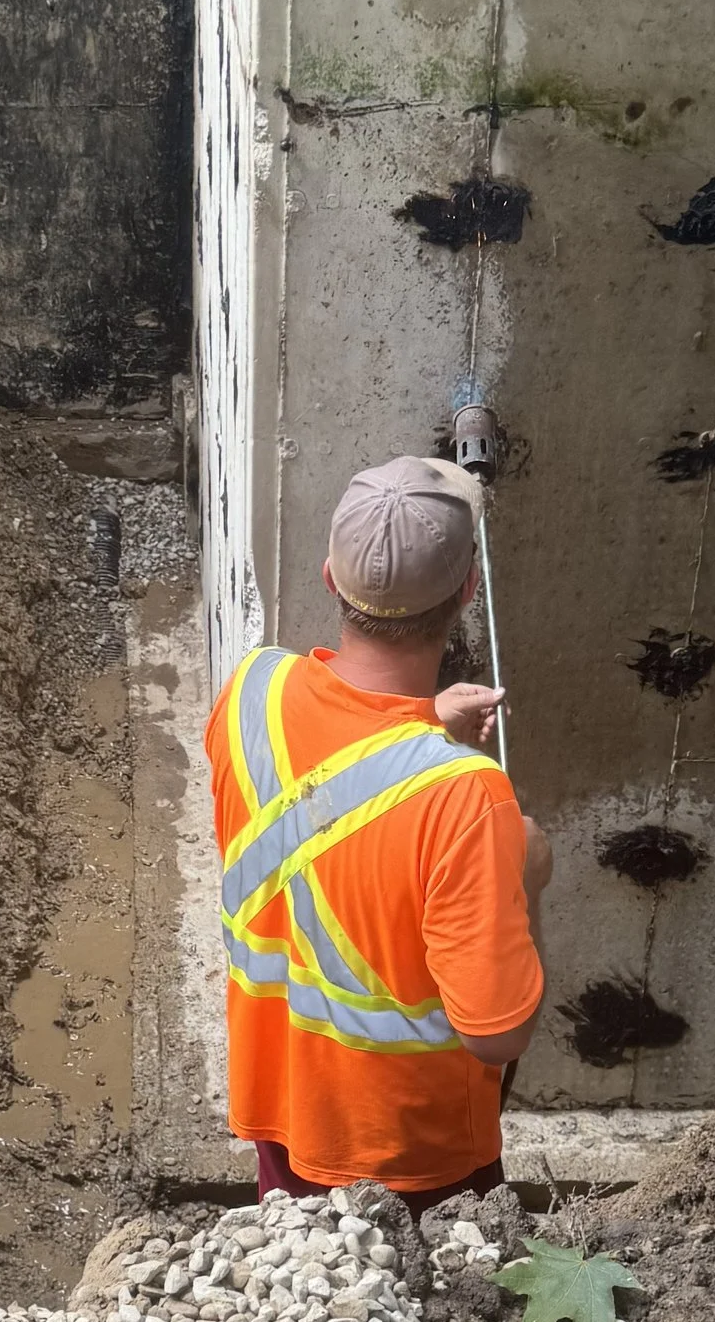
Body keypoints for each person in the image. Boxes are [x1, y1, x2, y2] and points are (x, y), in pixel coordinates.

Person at [205, 455, 552, 1208]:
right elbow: (497, 1034)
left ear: (330, 576)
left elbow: (327, 804)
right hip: (415, 1166)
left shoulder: (249, 695)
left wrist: (424, 723)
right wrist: (524, 871)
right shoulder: (467, 799)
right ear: (466, 592)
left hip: (286, 1118)